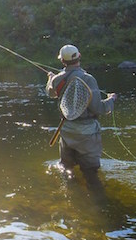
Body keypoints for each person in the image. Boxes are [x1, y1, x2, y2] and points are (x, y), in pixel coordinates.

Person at [45, 44, 117, 197]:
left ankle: (72, 199)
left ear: (63, 62)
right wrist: (111, 100)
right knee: (91, 174)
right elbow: (99, 108)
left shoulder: (58, 79)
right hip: (87, 133)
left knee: (67, 168)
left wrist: (51, 79)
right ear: (79, 57)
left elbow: (51, 93)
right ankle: (100, 206)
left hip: (66, 131)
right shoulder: (88, 79)